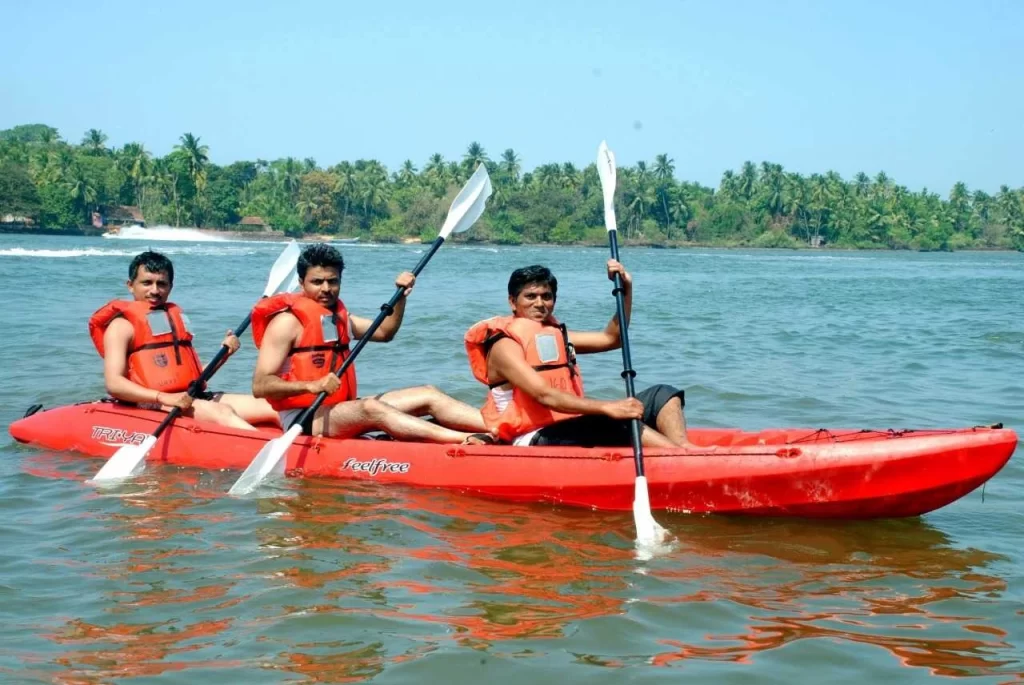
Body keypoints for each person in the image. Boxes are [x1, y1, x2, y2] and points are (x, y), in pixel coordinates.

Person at [251, 243, 493, 444]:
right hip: (303, 416)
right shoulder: (285, 323)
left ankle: (505, 428)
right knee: (370, 408)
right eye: (317, 282)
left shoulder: (340, 319)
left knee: (428, 394)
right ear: (302, 283)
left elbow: (385, 332)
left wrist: (400, 297)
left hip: (340, 408)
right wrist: (312, 386)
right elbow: (261, 385)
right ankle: (465, 439)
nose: (326, 289)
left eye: (332, 281)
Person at [464, 261, 692, 447]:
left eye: (547, 296)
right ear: (513, 302)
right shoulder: (504, 345)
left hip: (566, 425)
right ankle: (683, 461)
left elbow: (613, 339)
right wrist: (607, 407)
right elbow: (544, 395)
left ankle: (684, 450)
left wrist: (625, 290)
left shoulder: (556, 336)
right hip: (529, 437)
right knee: (611, 419)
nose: (540, 303)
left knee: (663, 394)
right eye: (530, 296)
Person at [89, 250, 280, 431]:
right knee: (222, 411)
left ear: (170, 287)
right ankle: (276, 453)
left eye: (162, 284)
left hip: (188, 397)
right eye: (147, 283)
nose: (155, 290)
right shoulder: (121, 327)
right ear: (130, 285)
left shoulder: (171, 321)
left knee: (270, 405)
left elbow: (194, 379)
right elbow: (114, 384)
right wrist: (164, 398)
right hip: (151, 402)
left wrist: (225, 354)